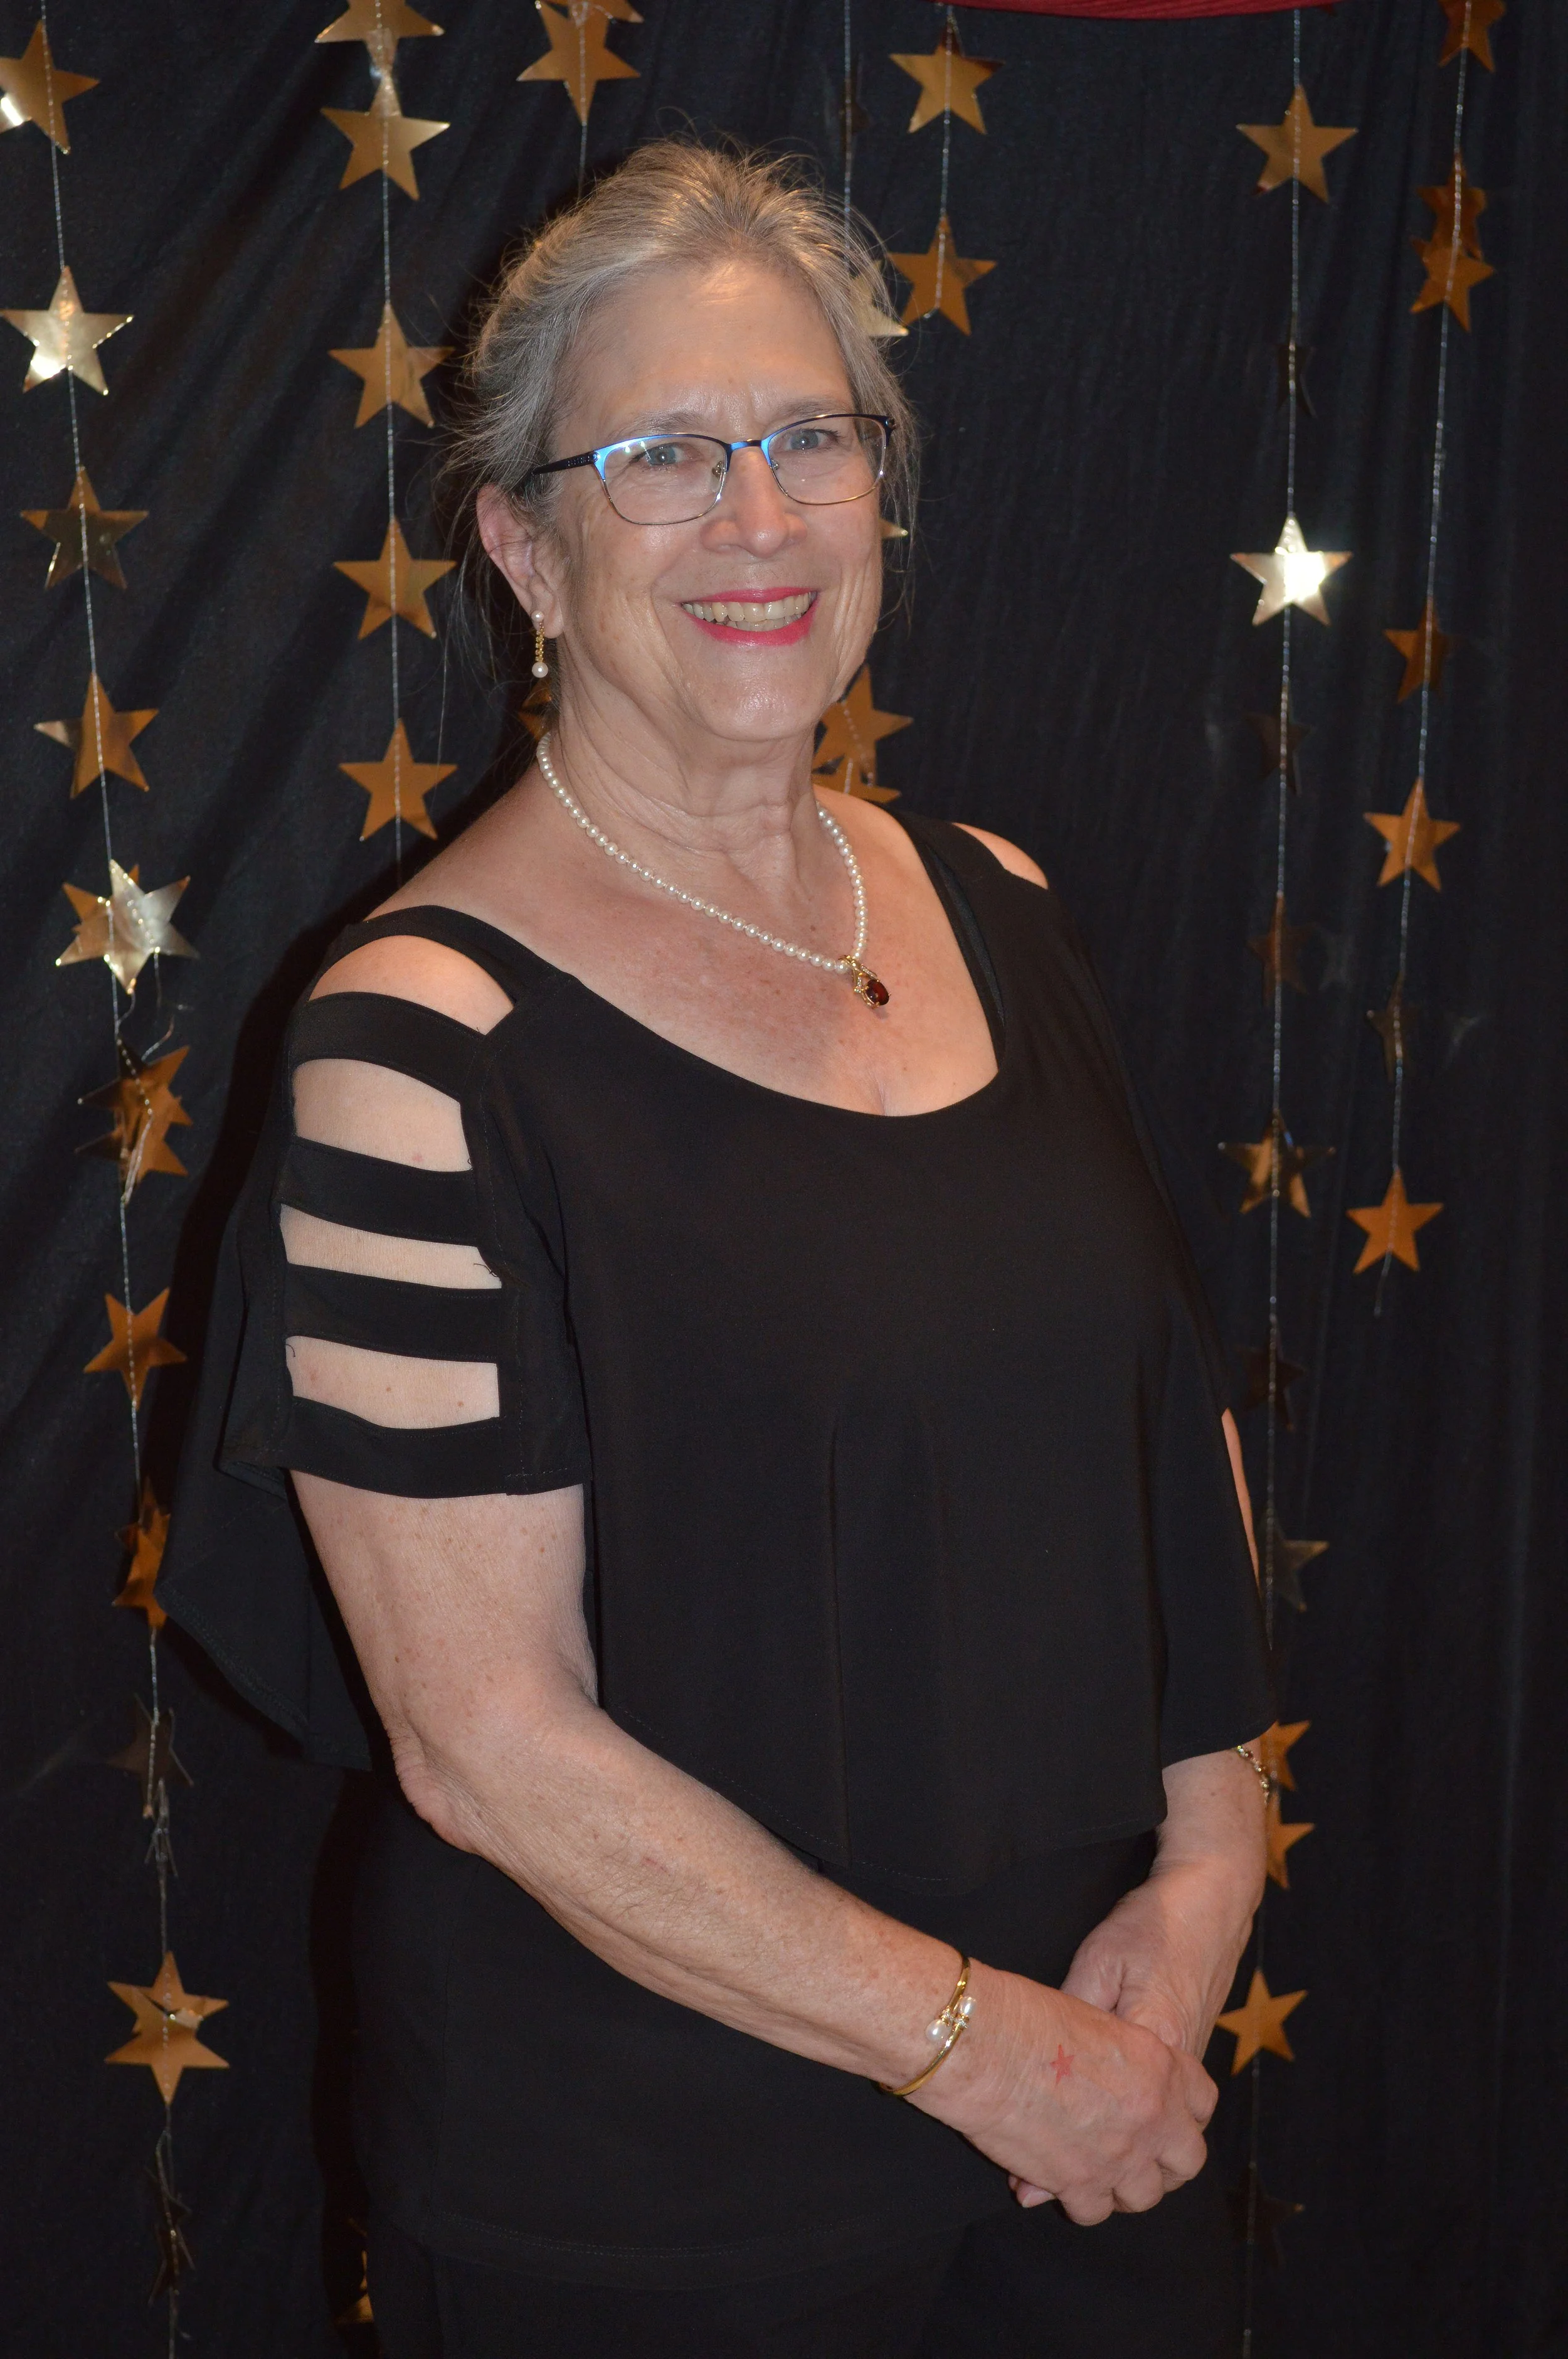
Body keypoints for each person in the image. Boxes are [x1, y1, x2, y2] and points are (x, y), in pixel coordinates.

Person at [161, 142, 1272, 2358]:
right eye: (661, 458)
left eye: (807, 440)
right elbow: (488, 1743)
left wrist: (1205, 1874)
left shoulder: (1001, 908)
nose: (756, 519)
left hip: (1100, 2108)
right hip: (657, 2203)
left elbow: (1172, 1438)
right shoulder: (414, 1041)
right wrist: (986, 2054)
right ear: (521, 547)